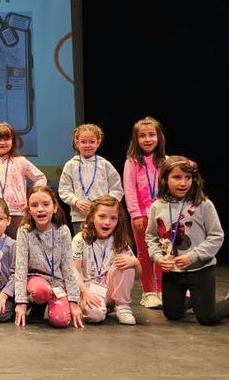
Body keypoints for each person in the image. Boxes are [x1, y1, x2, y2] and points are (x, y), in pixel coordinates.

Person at [146, 156, 228, 325]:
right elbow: (151, 236)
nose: (183, 183)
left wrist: (193, 256)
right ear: (165, 179)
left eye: (188, 178)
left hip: (200, 269)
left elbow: (216, 236)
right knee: (172, 314)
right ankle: (195, 299)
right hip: (172, 272)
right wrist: (158, 257)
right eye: (177, 177)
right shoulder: (157, 206)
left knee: (207, 318)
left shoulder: (203, 205)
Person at [14, 185, 83, 328]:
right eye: (34, 205)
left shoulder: (63, 231)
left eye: (46, 204)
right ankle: (37, 305)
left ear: (55, 207)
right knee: (41, 290)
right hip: (36, 281)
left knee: (61, 320)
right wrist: (21, 302)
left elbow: (68, 267)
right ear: (29, 210)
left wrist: (73, 301)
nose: (40, 209)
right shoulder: (24, 231)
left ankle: (49, 304)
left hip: (57, 283)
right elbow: (20, 267)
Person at [72, 195, 140, 325]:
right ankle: (101, 307)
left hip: (109, 289)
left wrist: (135, 262)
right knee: (95, 316)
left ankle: (122, 306)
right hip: (87, 289)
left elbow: (136, 276)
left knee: (126, 262)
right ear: (92, 217)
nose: (107, 222)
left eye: (113, 218)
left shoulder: (119, 241)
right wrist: (85, 292)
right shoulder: (80, 239)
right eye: (102, 216)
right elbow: (74, 271)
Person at [123, 116, 166, 309]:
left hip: (163, 217)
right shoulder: (132, 162)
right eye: (142, 136)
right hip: (141, 217)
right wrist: (135, 214)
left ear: (159, 137)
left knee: (162, 253)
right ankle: (148, 292)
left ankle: (162, 291)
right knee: (144, 254)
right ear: (136, 139)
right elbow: (129, 189)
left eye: (151, 135)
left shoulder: (165, 161)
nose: (147, 139)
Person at [0, 122, 46, 238]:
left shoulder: (20, 161)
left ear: (13, 141)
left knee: (18, 248)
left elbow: (40, 178)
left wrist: (31, 199)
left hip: (17, 212)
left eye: (6, 139)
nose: (2, 142)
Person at [59, 124, 123, 234]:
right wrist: (76, 201)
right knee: (82, 245)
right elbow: (64, 190)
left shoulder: (105, 165)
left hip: (104, 217)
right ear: (77, 142)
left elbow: (117, 189)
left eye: (92, 142)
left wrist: (106, 204)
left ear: (98, 142)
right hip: (80, 217)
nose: (87, 145)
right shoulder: (70, 165)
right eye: (83, 142)